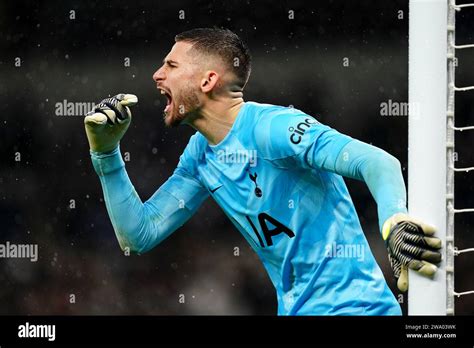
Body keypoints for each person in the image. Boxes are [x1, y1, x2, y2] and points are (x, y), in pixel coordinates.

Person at [84, 28, 442, 315]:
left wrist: (394, 222)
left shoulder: (275, 128)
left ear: (208, 81)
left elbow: (376, 161)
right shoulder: (199, 156)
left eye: (172, 66)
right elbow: (139, 234)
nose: (157, 74)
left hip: (357, 308)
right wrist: (106, 153)